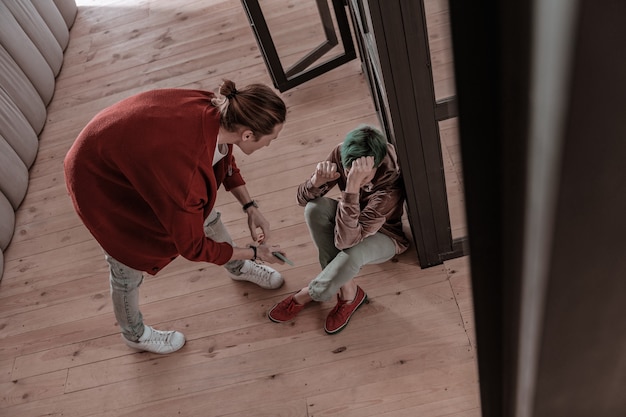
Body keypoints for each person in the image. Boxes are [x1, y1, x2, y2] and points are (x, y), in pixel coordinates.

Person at [64, 80, 288, 354]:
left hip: (124, 148)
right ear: (249, 135)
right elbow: (193, 247)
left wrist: (250, 206)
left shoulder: (222, 112)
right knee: (125, 268)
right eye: (272, 139)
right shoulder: (186, 174)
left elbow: (223, 156)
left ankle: (237, 268)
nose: (270, 145)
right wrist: (253, 251)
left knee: (206, 216)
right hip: (97, 178)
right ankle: (133, 334)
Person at [268, 125, 410, 334]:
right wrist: (316, 181)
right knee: (314, 208)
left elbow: (346, 242)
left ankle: (310, 293)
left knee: (351, 254)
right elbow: (302, 200)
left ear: (377, 164)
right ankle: (349, 292)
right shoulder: (343, 152)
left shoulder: (389, 188)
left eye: (364, 177)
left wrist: (352, 186)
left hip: (385, 235)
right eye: (349, 172)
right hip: (349, 224)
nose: (356, 178)